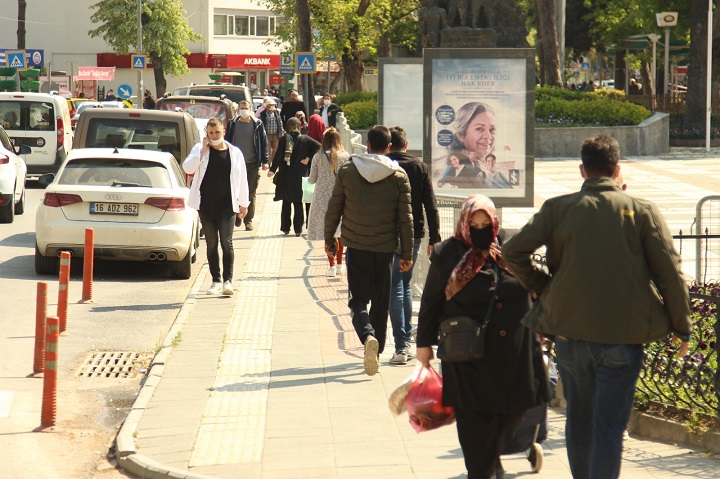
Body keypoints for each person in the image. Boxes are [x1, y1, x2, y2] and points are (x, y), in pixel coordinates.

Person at [503, 134, 693, 479]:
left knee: (579, 422)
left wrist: (545, 288)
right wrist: (682, 326)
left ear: (582, 170)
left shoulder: (558, 208)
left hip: (571, 336)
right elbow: (670, 275)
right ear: (618, 169)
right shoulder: (641, 211)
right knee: (608, 427)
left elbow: (513, 251)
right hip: (622, 338)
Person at [416, 194, 549, 478]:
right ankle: (483, 469)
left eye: (485, 223)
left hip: (515, 351)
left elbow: (535, 288)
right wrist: (423, 344)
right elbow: (431, 302)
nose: (479, 229)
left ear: (495, 223)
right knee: (475, 420)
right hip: (467, 355)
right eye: (473, 223)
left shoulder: (509, 249)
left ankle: (489, 462)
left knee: (515, 410)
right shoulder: (446, 253)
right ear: (464, 223)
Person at [324, 125, 414, 376]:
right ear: (388, 147)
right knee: (381, 303)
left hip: (356, 245)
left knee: (357, 301)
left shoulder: (348, 171)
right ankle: (378, 347)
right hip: (386, 248)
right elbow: (405, 219)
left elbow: (334, 208)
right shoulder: (398, 176)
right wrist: (406, 254)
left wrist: (329, 239)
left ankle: (367, 337)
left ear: (366, 143)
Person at [386, 126, 441, 365]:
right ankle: (406, 341)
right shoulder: (419, 166)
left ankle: (401, 346)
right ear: (406, 145)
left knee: (395, 288)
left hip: (387, 234)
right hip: (415, 233)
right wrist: (435, 239)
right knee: (405, 285)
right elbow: (431, 204)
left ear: (389, 145)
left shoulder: (384, 165)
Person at [183, 117, 250, 296]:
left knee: (226, 243)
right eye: (211, 133)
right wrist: (203, 152)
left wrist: (244, 203)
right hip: (205, 204)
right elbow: (187, 168)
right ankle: (215, 281)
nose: (214, 136)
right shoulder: (199, 150)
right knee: (211, 244)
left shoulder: (235, 153)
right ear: (207, 133)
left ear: (224, 132)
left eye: (217, 132)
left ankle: (228, 281)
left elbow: (242, 179)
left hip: (228, 205)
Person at [306, 127, 350, 277]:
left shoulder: (318, 157)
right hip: (341, 198)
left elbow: (312, 180)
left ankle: (331, 266)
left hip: (322, 200)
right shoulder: (345, 156)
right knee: (340, 232)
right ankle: (340, 264)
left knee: (328, 233)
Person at [268, 117, 320, 236]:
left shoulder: (283, 140)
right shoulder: (305, 139)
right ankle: (298, 230)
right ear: (300, 126)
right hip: (300, 176)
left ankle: (286, 228)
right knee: (298, 202)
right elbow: (319, 147)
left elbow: (278, 156)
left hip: (286, 176)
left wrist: (272, 169)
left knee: (286, 203)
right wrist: (308, 158)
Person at [225, 100, 269, 231]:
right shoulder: (233, 123)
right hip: (235, 164)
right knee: (235, 191)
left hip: (252, 163)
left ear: (251, 109)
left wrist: (265, 161)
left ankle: (248, 220)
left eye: (246, 108)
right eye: (242, 108)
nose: (244, 110)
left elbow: (264, 142)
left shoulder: (257, 124)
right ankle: (238, 216)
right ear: (238, 109)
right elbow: (227, 141)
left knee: (251, 192)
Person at [258, 97, 284, 168]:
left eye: (273, 105)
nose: (271, 106)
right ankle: (268, 163)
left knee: (275, 149)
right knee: (268, 150)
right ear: (266, 106)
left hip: (276, 134)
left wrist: (282, 132)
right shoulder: (263, 114)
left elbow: (280, 122)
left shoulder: (277, 113)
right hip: (267, 134)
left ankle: (274, 163)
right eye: (270, 105)